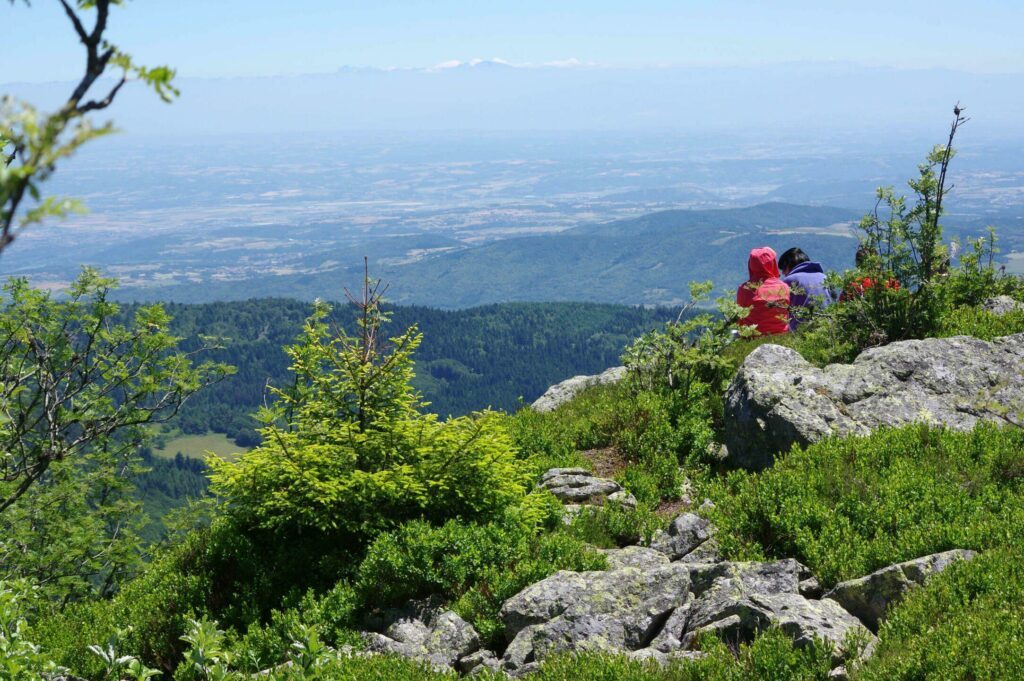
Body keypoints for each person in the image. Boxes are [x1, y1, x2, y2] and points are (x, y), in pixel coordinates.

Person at [736, 246, 790, 335]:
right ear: (772, 264)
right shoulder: (784, 287)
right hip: (781, 337)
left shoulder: (744, 289)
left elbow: (740, 319)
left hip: (753, 339)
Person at [778, 247, 833, 330]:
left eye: (783, 268)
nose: (783, 273)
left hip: (801, 332)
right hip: (828, 329)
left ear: (789, 264)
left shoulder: (789, 281)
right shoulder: (824, 278)